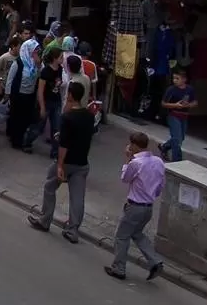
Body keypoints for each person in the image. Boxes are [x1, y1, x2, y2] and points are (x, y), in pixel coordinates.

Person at [28, 82, 94, 243]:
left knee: (50, 187)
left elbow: (64, 144)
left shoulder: (68, 117)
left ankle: (45, 220)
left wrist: (59, 164)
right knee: (78, 197)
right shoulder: (89, 116)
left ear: (70, 95)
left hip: (67, 161)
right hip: (82, 161)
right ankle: (73, 230)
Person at [105, 132, 165, 281]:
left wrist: (127, 160)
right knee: (137, 233)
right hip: (148, 206)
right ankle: (155, 261)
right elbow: (160, 184)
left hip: (134, 206)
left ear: (135, 146)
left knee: (122, 236)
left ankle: (119, 268)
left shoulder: (135, 163)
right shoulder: (158, 161)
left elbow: (125, 179)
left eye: (131, 144)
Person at [6, 39, 42, 151]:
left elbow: (41, 75)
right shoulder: (19, 62)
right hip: (18, 95)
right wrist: (8, 94)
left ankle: (23, 140)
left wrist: (38, 63)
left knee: (26, 119)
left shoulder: (36, 63)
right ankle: (15, 140)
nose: (36, 52)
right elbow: (10, 79)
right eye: (34, 50)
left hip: (30, 95)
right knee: (17, 118)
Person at [159, 68, 196, 162]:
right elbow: (163, 103)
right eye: (174, 78)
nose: (174, 80)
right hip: (173, 115)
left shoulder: (190, 89)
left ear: (184, 79)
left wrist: (189, 105)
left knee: (181, 138)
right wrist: (175, 105)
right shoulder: (171, 89)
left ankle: (165, 146)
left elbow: (195, 102)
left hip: (184, 116)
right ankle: (177, 160)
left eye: (177, 78)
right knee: (177, 139)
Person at [37, 47, 65, 159]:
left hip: (56, 101)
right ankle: (27, 141)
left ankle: (54, 152)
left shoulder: (60, 69)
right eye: (61, 57)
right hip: (47, 101)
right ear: (54, 58)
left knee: (56, 128)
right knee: (39, 125)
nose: (63, 59)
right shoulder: (45, 72)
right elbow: (40, 90)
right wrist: (42, 107)